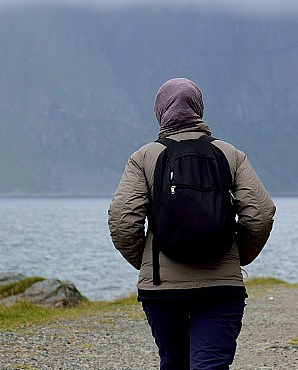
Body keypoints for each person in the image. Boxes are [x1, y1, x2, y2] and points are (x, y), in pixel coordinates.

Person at [108, 77, 276, 370]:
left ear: (160, 111)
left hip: (161, 288)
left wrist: (148, 260)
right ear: (198, 107)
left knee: (173, 363)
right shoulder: (230, 154)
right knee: (210, 366)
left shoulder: (144, 157)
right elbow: (260, 214)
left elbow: (123, 221)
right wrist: (235, 256)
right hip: (221, 286)